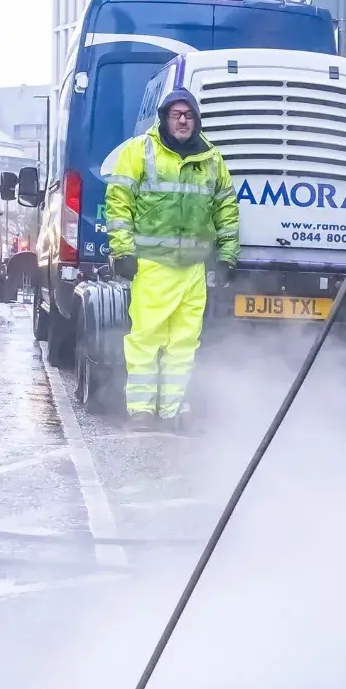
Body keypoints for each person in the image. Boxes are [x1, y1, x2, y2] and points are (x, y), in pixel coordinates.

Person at [103, 59, 239, 428]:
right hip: (152, 265)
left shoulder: (211, 160)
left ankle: (173, 411)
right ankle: (143, 411)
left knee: (183, 346)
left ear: (196, 120)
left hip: (193, 267)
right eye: (176, 114)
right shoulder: (138, 151)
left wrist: (227, 257)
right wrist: (123, 251)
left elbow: (226, 210)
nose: (182, 121)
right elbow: (119, 205)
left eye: (188, 115)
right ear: (164, 118)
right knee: (146, 340)